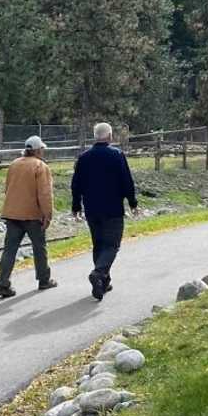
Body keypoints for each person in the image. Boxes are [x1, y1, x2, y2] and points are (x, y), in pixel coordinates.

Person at [71, 122, 137, 301]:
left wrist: (76, 206)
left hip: (92, 209)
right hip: (113, 208)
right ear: (109, 136)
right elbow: (126, 181)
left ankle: (103, 281)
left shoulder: (84, 158)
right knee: (112, 245)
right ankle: (99, 273)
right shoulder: (116, 155)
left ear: (95, 136)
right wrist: (132, 202)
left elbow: (76, 184)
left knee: (98, 245)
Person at [0, 134, 58, 298]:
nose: (43, 152)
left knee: (9, 250)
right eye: (42, 149)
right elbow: (45, 194)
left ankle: (3, 283)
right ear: (37, 150)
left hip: (12, 213)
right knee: (39, 247)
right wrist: (47, 215)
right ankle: (44, 279)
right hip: (32, 214)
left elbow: (7, 187)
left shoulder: (14, 164)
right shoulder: (40, 166)